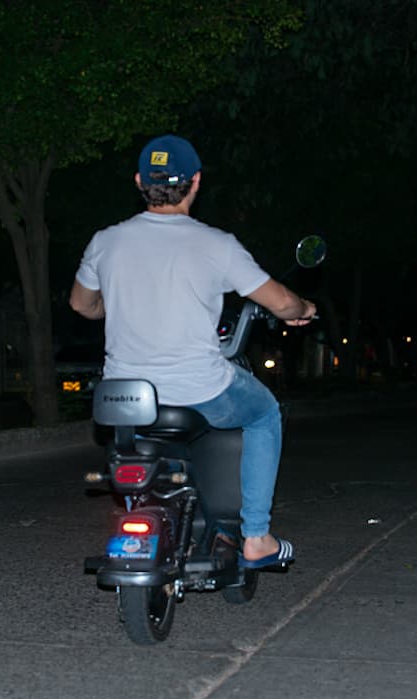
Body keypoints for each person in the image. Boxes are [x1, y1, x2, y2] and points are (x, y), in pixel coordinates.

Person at [69, 134, 316, 569]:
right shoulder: (217, 245)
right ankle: (256, 536)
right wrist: (304, 309)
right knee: (264, 413)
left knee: (134, 440)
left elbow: (81, 305)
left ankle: (142, 513)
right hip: (200, 390)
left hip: (125, 397)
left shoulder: (105, 242)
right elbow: (280, 302)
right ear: (196, 182)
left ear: (140, 182)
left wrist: (120, 300)